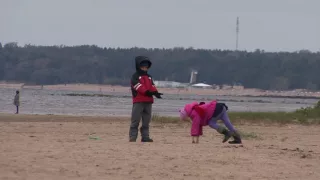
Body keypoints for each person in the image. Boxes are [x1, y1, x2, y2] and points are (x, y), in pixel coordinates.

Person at [129, 56, 163, 142]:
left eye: (146, 67)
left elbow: (152, 86)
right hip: (138, 101)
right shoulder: (135, 76)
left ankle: (145, 137)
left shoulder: (149, 77)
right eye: (143, 66)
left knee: (146, 121)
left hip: (148, 102)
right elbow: (138, 87)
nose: (144, 68)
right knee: (135, 120)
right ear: (138, 66)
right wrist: (148, 92)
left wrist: (156, 93)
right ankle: (133, 137)